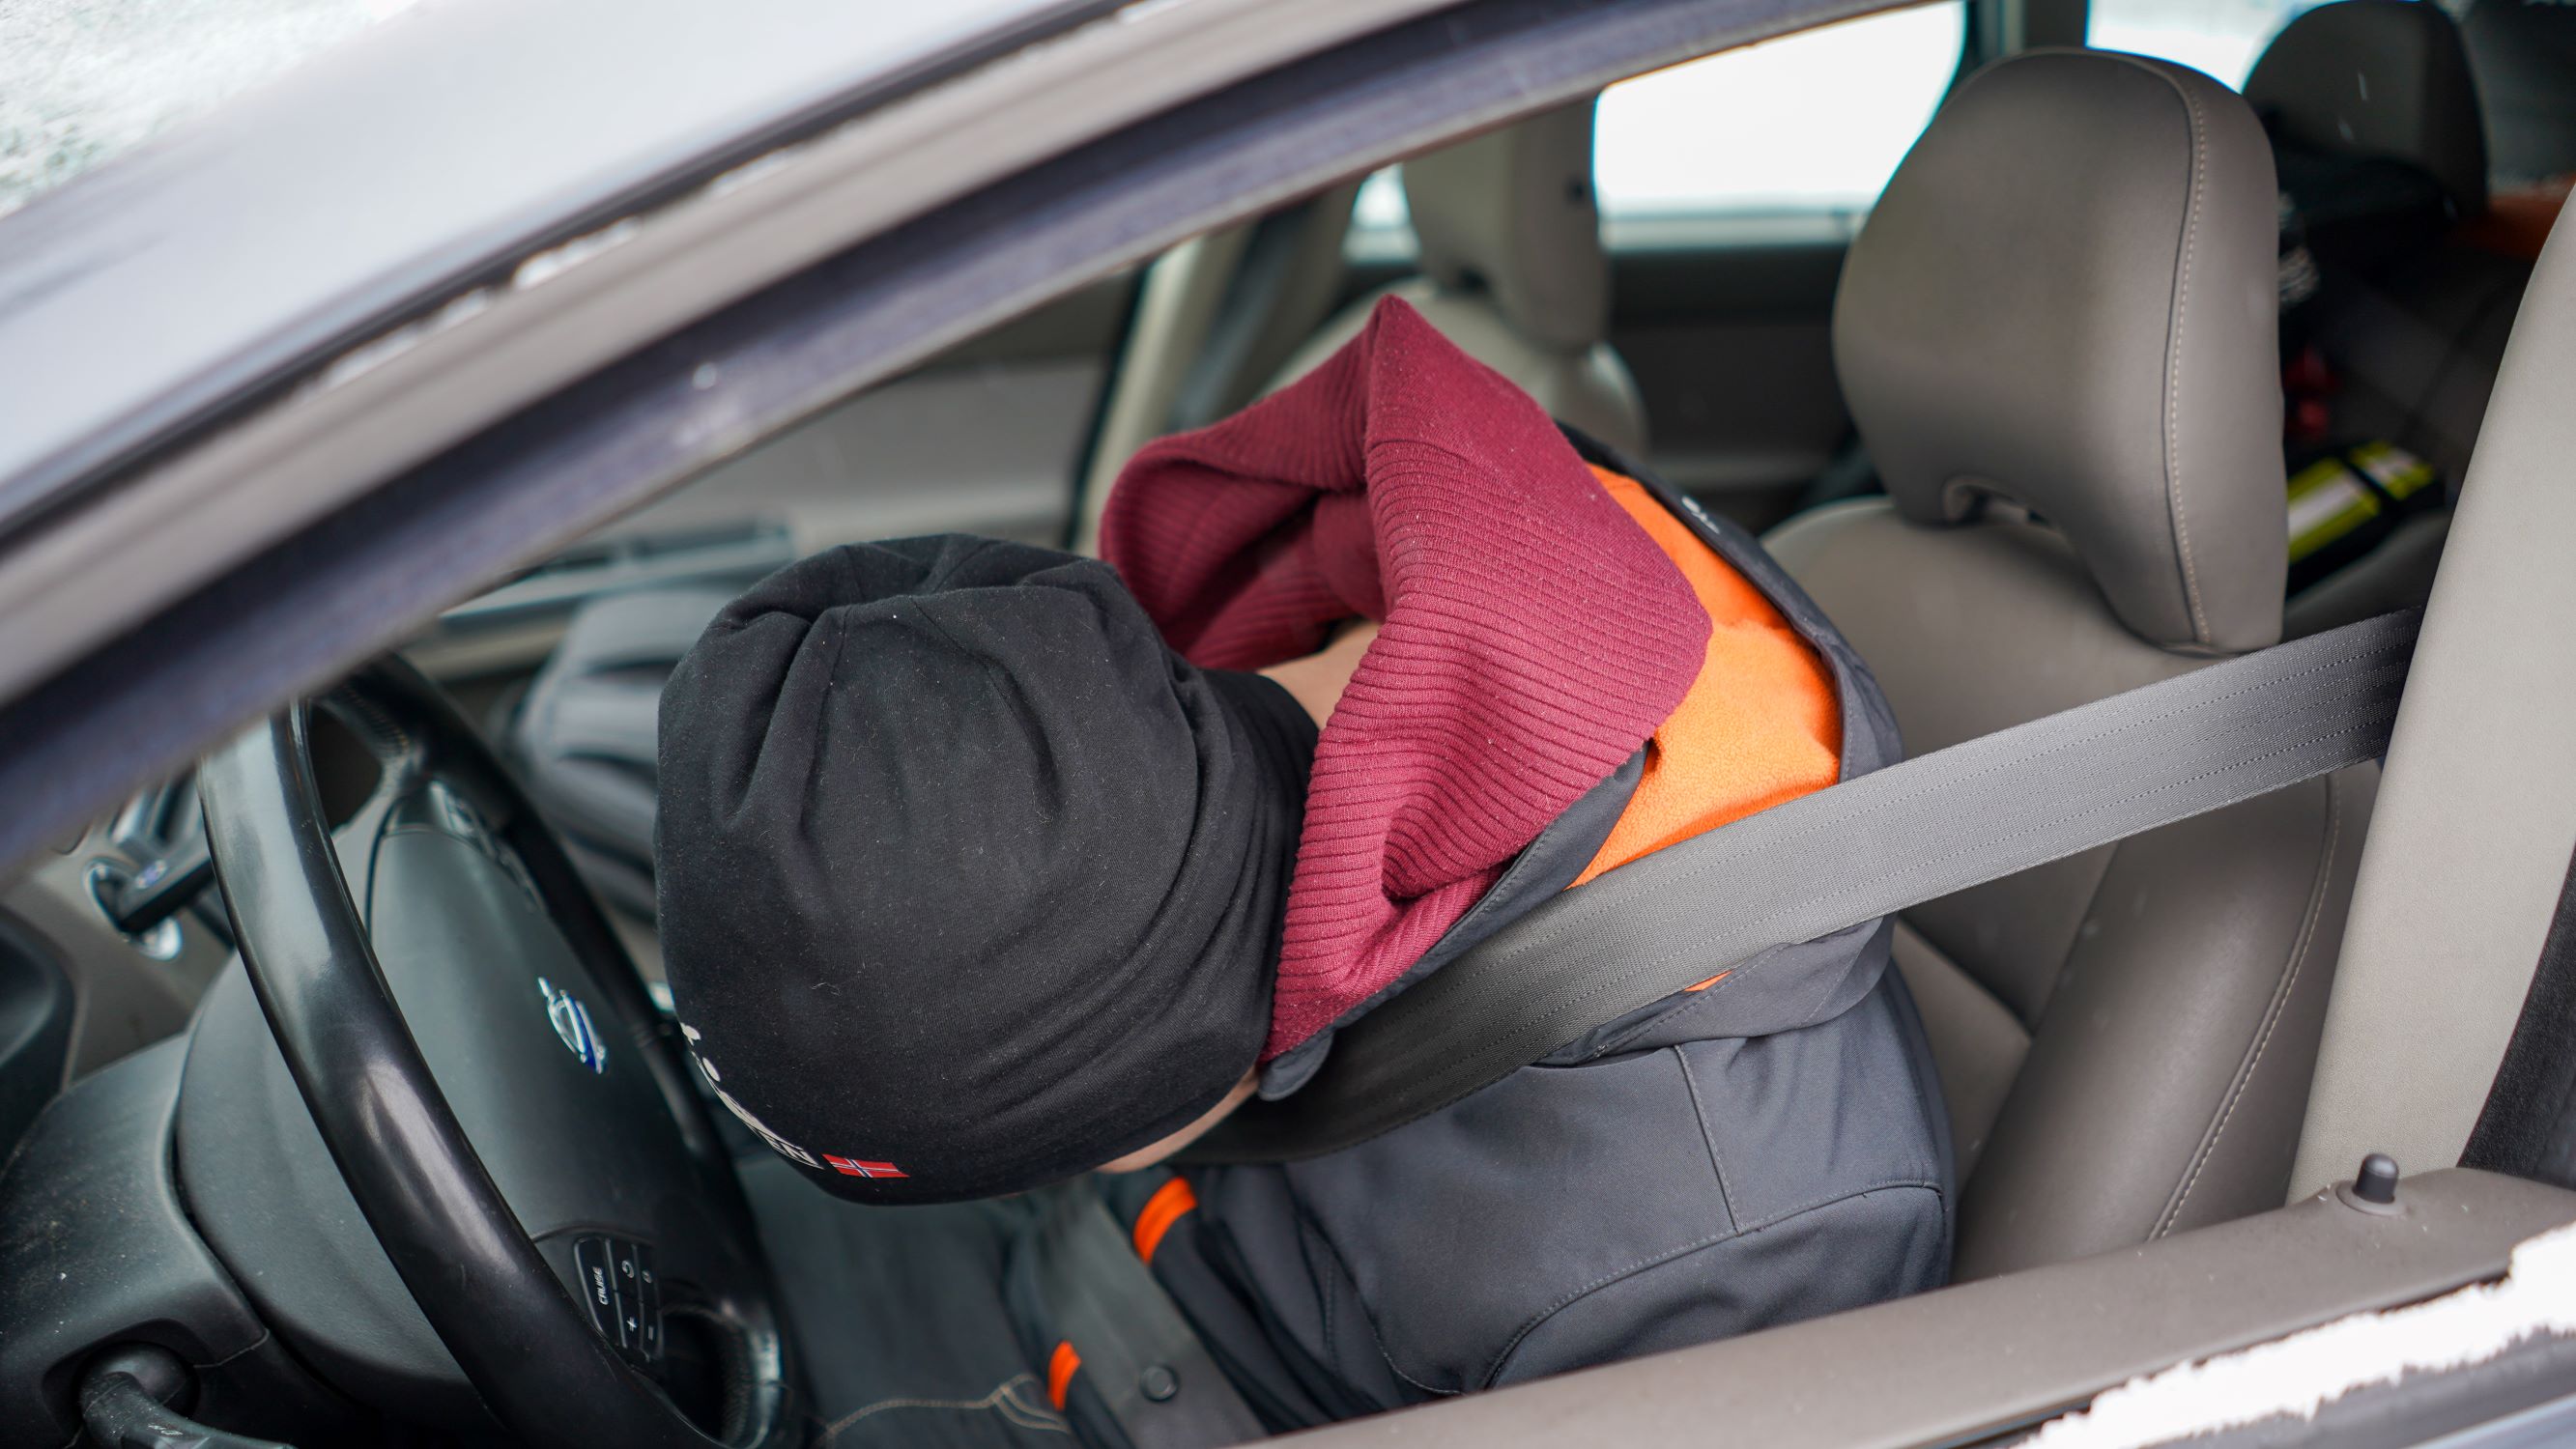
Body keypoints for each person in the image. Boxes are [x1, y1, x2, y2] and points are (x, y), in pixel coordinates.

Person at [653, 298, 1950, 1447]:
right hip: (1140, 1281)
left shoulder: (1707, 1261)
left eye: (1066, 1146)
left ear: (1173, 1051)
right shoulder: (1349, 594)